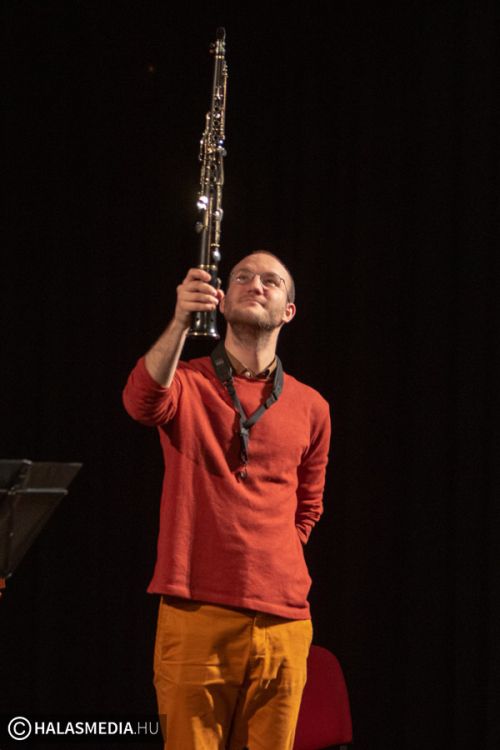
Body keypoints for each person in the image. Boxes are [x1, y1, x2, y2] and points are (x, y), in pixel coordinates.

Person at [122, 250, 331, 750]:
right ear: (220, 299)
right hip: (197, 608)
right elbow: (140, 402)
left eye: (271, 281)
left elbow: (309, 505)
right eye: (242, 277)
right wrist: (180, 320)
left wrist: (272, 558)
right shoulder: (188, 380)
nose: (256, 285)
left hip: (284, 619)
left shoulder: (312, 406)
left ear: (288, 311)